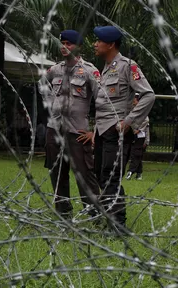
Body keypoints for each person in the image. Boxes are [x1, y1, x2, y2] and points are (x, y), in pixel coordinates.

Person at [87, 26, 155, 230]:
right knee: (100, 174)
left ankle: (118, 225)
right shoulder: (106, 68)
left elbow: (148, 95)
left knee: (111, 175)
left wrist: (129, 121)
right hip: (102, 130)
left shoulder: (128, 66)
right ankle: (108, 217)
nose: (95, 44)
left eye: (99, 40)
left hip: (115, 132)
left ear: (111, 44)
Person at [40, 30, 101, 219]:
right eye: (63, 43)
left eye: (69, 44)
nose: (64, 47)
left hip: (78, 131)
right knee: (57, 173)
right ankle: (63, 213)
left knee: (84, 174)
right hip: (54, 129)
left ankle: (94, 213)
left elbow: (103, 102)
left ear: (78, 46)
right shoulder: (55, 70)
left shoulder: (89, 71)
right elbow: (42, 83)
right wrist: (51, 103)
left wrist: (95, 131)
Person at [126, 94, 150, 180]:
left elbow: (146, 120)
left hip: (140, 135)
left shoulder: (141, 109)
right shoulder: (131, 109)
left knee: (135, 153)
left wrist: (138, 129)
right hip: (133, 134)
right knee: (137, 154)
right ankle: (139, 173)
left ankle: (130, 171)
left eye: (134, 99)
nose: (133, 101)